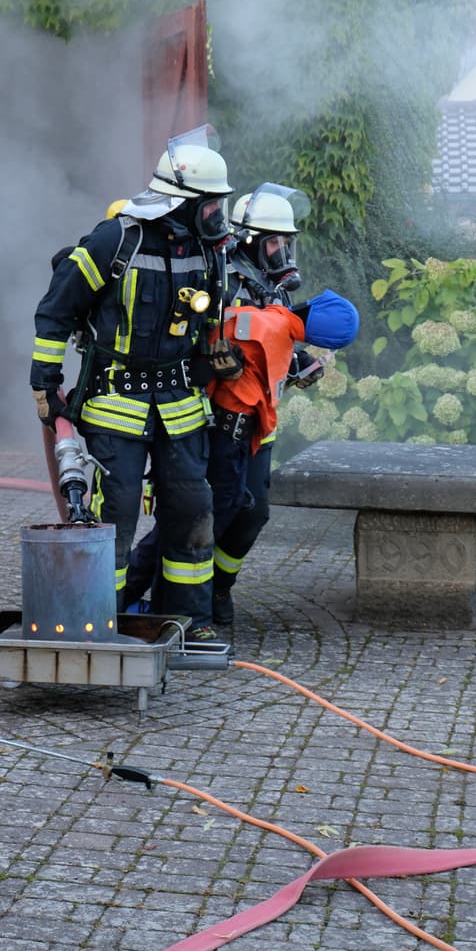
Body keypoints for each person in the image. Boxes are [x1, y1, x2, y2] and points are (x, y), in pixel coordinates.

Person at [30, 129, 241, 642]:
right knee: (115, 518)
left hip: (181, 407)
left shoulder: (208, 254)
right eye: (211, 208)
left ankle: (188, 623)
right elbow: (55, 311)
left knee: (192, 511)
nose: (218, 219)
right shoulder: (115, 241)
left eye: (221, 208)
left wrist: (218, 361)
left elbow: (207, 324)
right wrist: (47, 384)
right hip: (114, 404)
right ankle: (106, 622)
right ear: (180, 203)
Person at [124, 183, 359, 627]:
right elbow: (191, 334)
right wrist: (213, 356)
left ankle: (216, 587)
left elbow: (271, 345)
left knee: (253, 513)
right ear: (248, 240)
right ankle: (141, 593)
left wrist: (299, 364)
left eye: (287, 243)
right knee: (203, 512)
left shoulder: (274, 289)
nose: (283, 253)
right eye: (274, 243)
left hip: (258, 424)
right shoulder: (221, 278)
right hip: (218, 421)